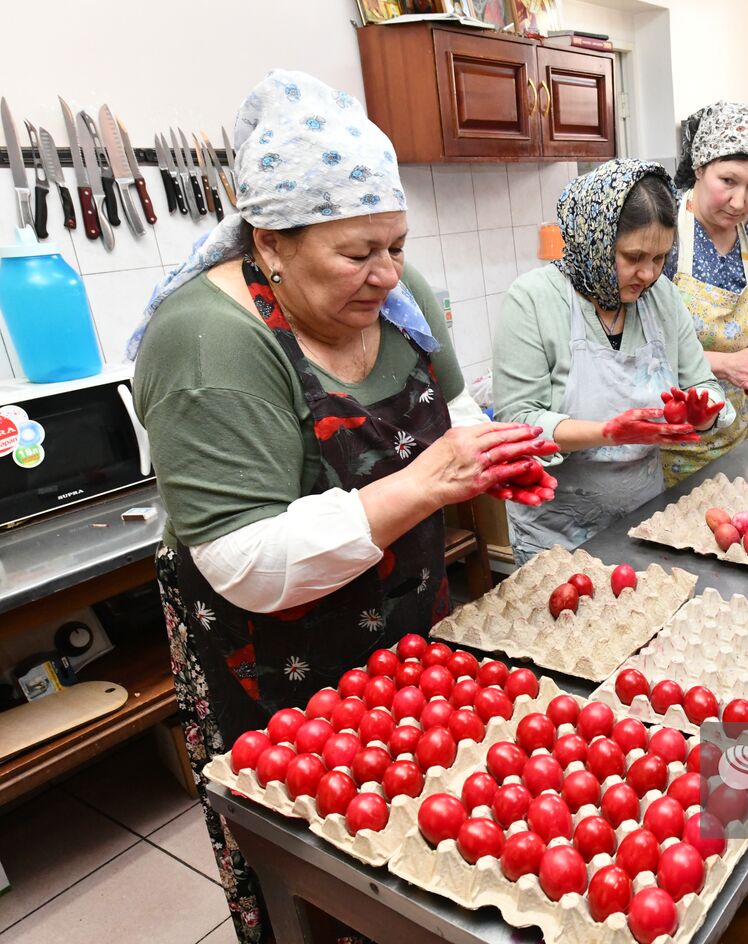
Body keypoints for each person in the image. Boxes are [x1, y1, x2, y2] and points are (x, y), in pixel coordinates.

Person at [131, 71, 557, 941]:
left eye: (395, 244)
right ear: (270, 242)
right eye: (357, 252)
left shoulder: (400, 298)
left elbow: (455, 414)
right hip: (271, 663)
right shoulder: (209, 341)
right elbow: (245, 564)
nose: (387, 273)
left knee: (429, 853)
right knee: (321, 886)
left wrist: (489, 462)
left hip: (406, 633)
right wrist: (425, 483)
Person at [493, 159, 732, 561]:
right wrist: (609, 432)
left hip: (644, 521)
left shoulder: (663, 299)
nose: (647, 274)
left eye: (659, 259)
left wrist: (699, 412)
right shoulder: (533, 300)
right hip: (557, 535)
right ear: (596, 241)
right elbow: (518, 423)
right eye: (633, 256)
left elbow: (703, 386)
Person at [659, 101, 748, 487]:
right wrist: (726, 364)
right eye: (728, 181)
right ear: (700, 167)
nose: (739, 202)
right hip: (670, 438)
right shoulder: (664, 229)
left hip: (736, 432)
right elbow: (640, 350)